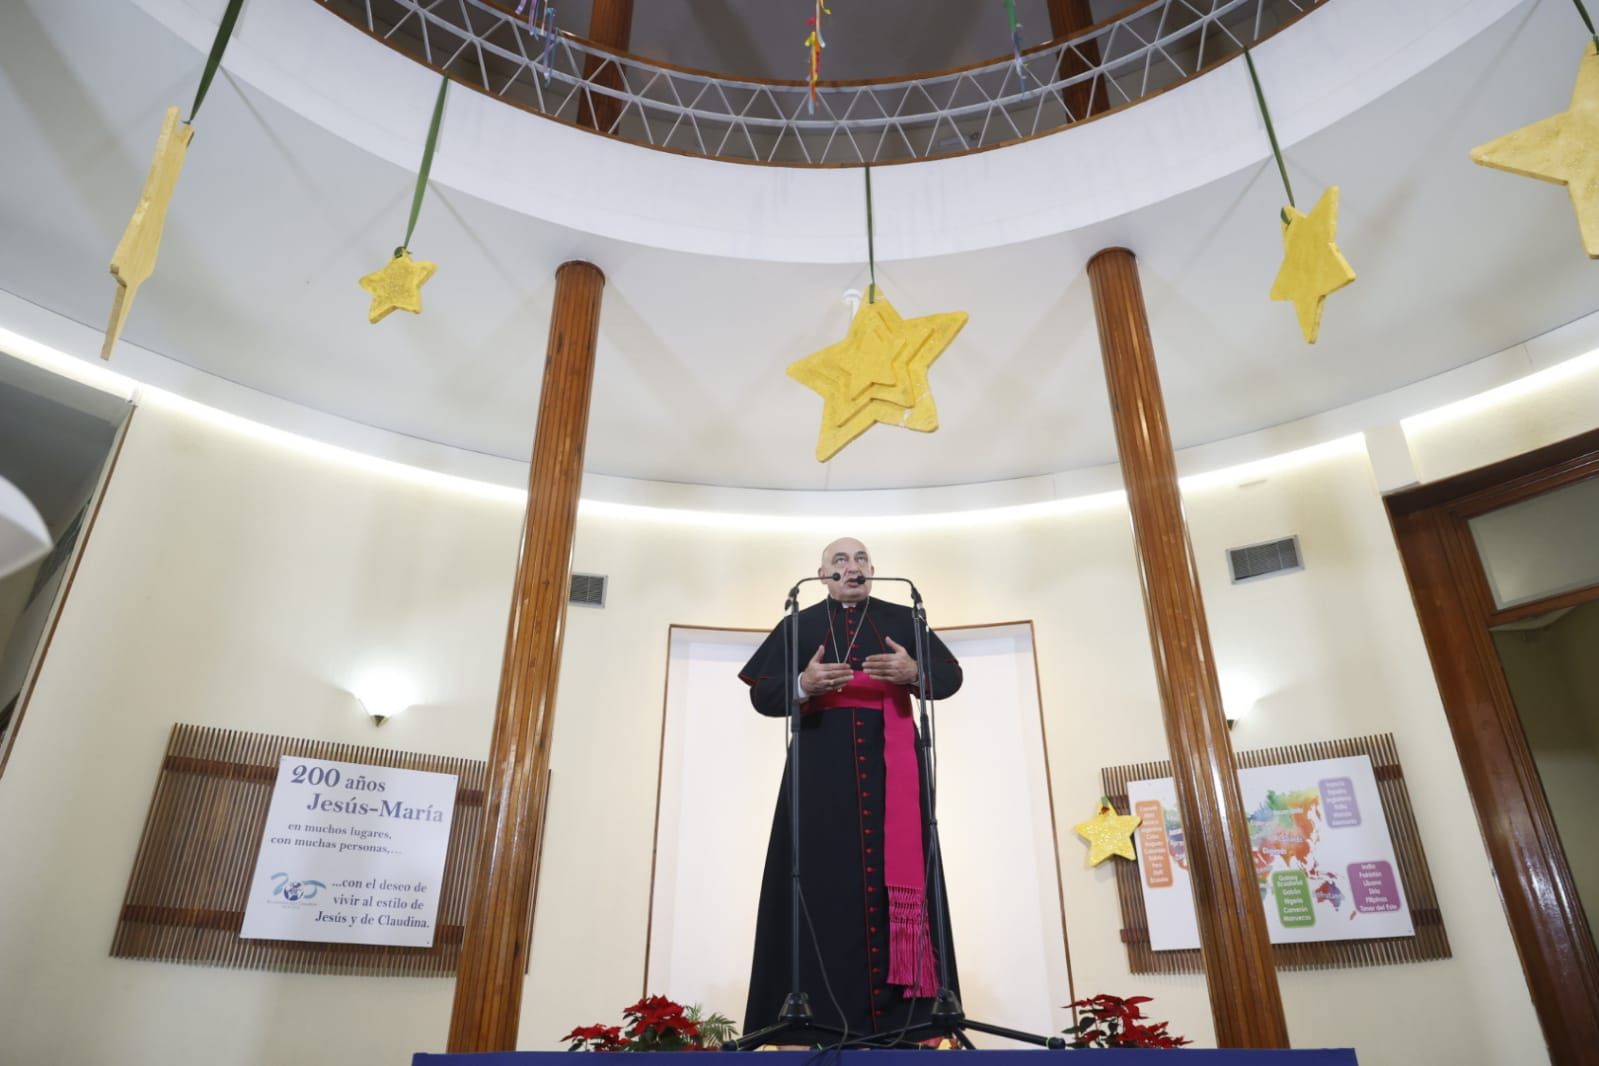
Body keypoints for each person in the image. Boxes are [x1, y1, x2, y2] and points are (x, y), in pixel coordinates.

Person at [738, 537, 963, 1043]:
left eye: (861, 559)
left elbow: (951, 677)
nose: (852, 567)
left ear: (874, 571)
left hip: (895, 773)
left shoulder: (904, 618)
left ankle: (910, 1024)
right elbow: (762, 693)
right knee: (821, 889)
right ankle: (817, 1020)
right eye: (840, 560)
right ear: (821, 576)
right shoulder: (799, 625)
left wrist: (915, 673)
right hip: (821, 773)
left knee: (899, 881)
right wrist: (802, 683)